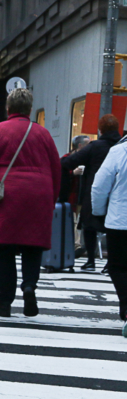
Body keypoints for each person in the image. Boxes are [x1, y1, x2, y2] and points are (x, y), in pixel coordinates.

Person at [0, 88, 60, 318]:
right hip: (39, 194)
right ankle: (29, 286)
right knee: (32, 246)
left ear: (8, 108)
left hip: (7, 194)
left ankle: (5, 301)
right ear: (30, 109)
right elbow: (56, 168)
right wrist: (50, 199)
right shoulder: (43, 134)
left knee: (4, 248)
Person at [61, 114, 122, 271]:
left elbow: (68, 163)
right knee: (113, 229)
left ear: (100, 130)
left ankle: (90, 261)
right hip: (118, 195)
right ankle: (111, 263)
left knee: (89, 226)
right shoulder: (122, 147)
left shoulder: (95, 146)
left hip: (94, 191)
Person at [92, 133, 127, 336]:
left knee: (118, 267)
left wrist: (98, 211)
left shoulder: (119, 151)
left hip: (120, 220)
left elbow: (99, 186)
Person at [59, 135, 90, 257]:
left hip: (81, 194)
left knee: (78, 220)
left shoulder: (84, 159)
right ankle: (76, 245)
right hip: (72, 194)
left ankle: (77, 244)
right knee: (73, 219)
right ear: (80, 146)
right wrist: (73, 173)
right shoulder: (68, 159)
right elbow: (60, 173)